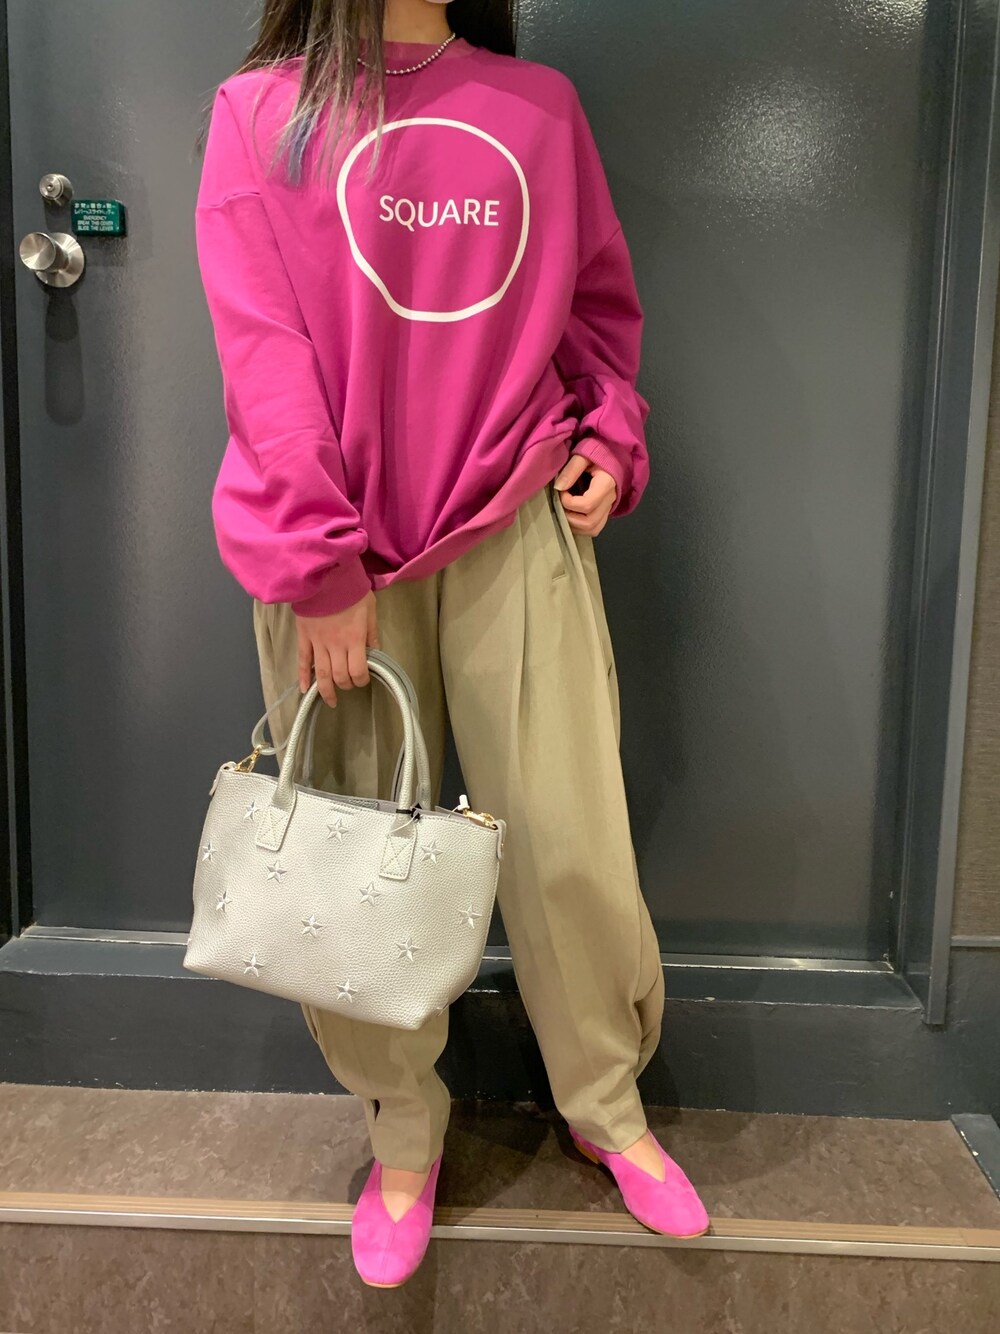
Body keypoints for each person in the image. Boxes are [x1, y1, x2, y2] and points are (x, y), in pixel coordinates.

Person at [194, 0, 710, 1288]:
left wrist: (611, 435)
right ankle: (402, 1132)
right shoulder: (261, 114)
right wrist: (320, 563)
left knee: (569, 838)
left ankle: (605, 1106)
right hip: (339, 557)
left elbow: (593, 311)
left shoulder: (536, 108)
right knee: (354, 852)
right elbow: (262, 351)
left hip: (513, 524)